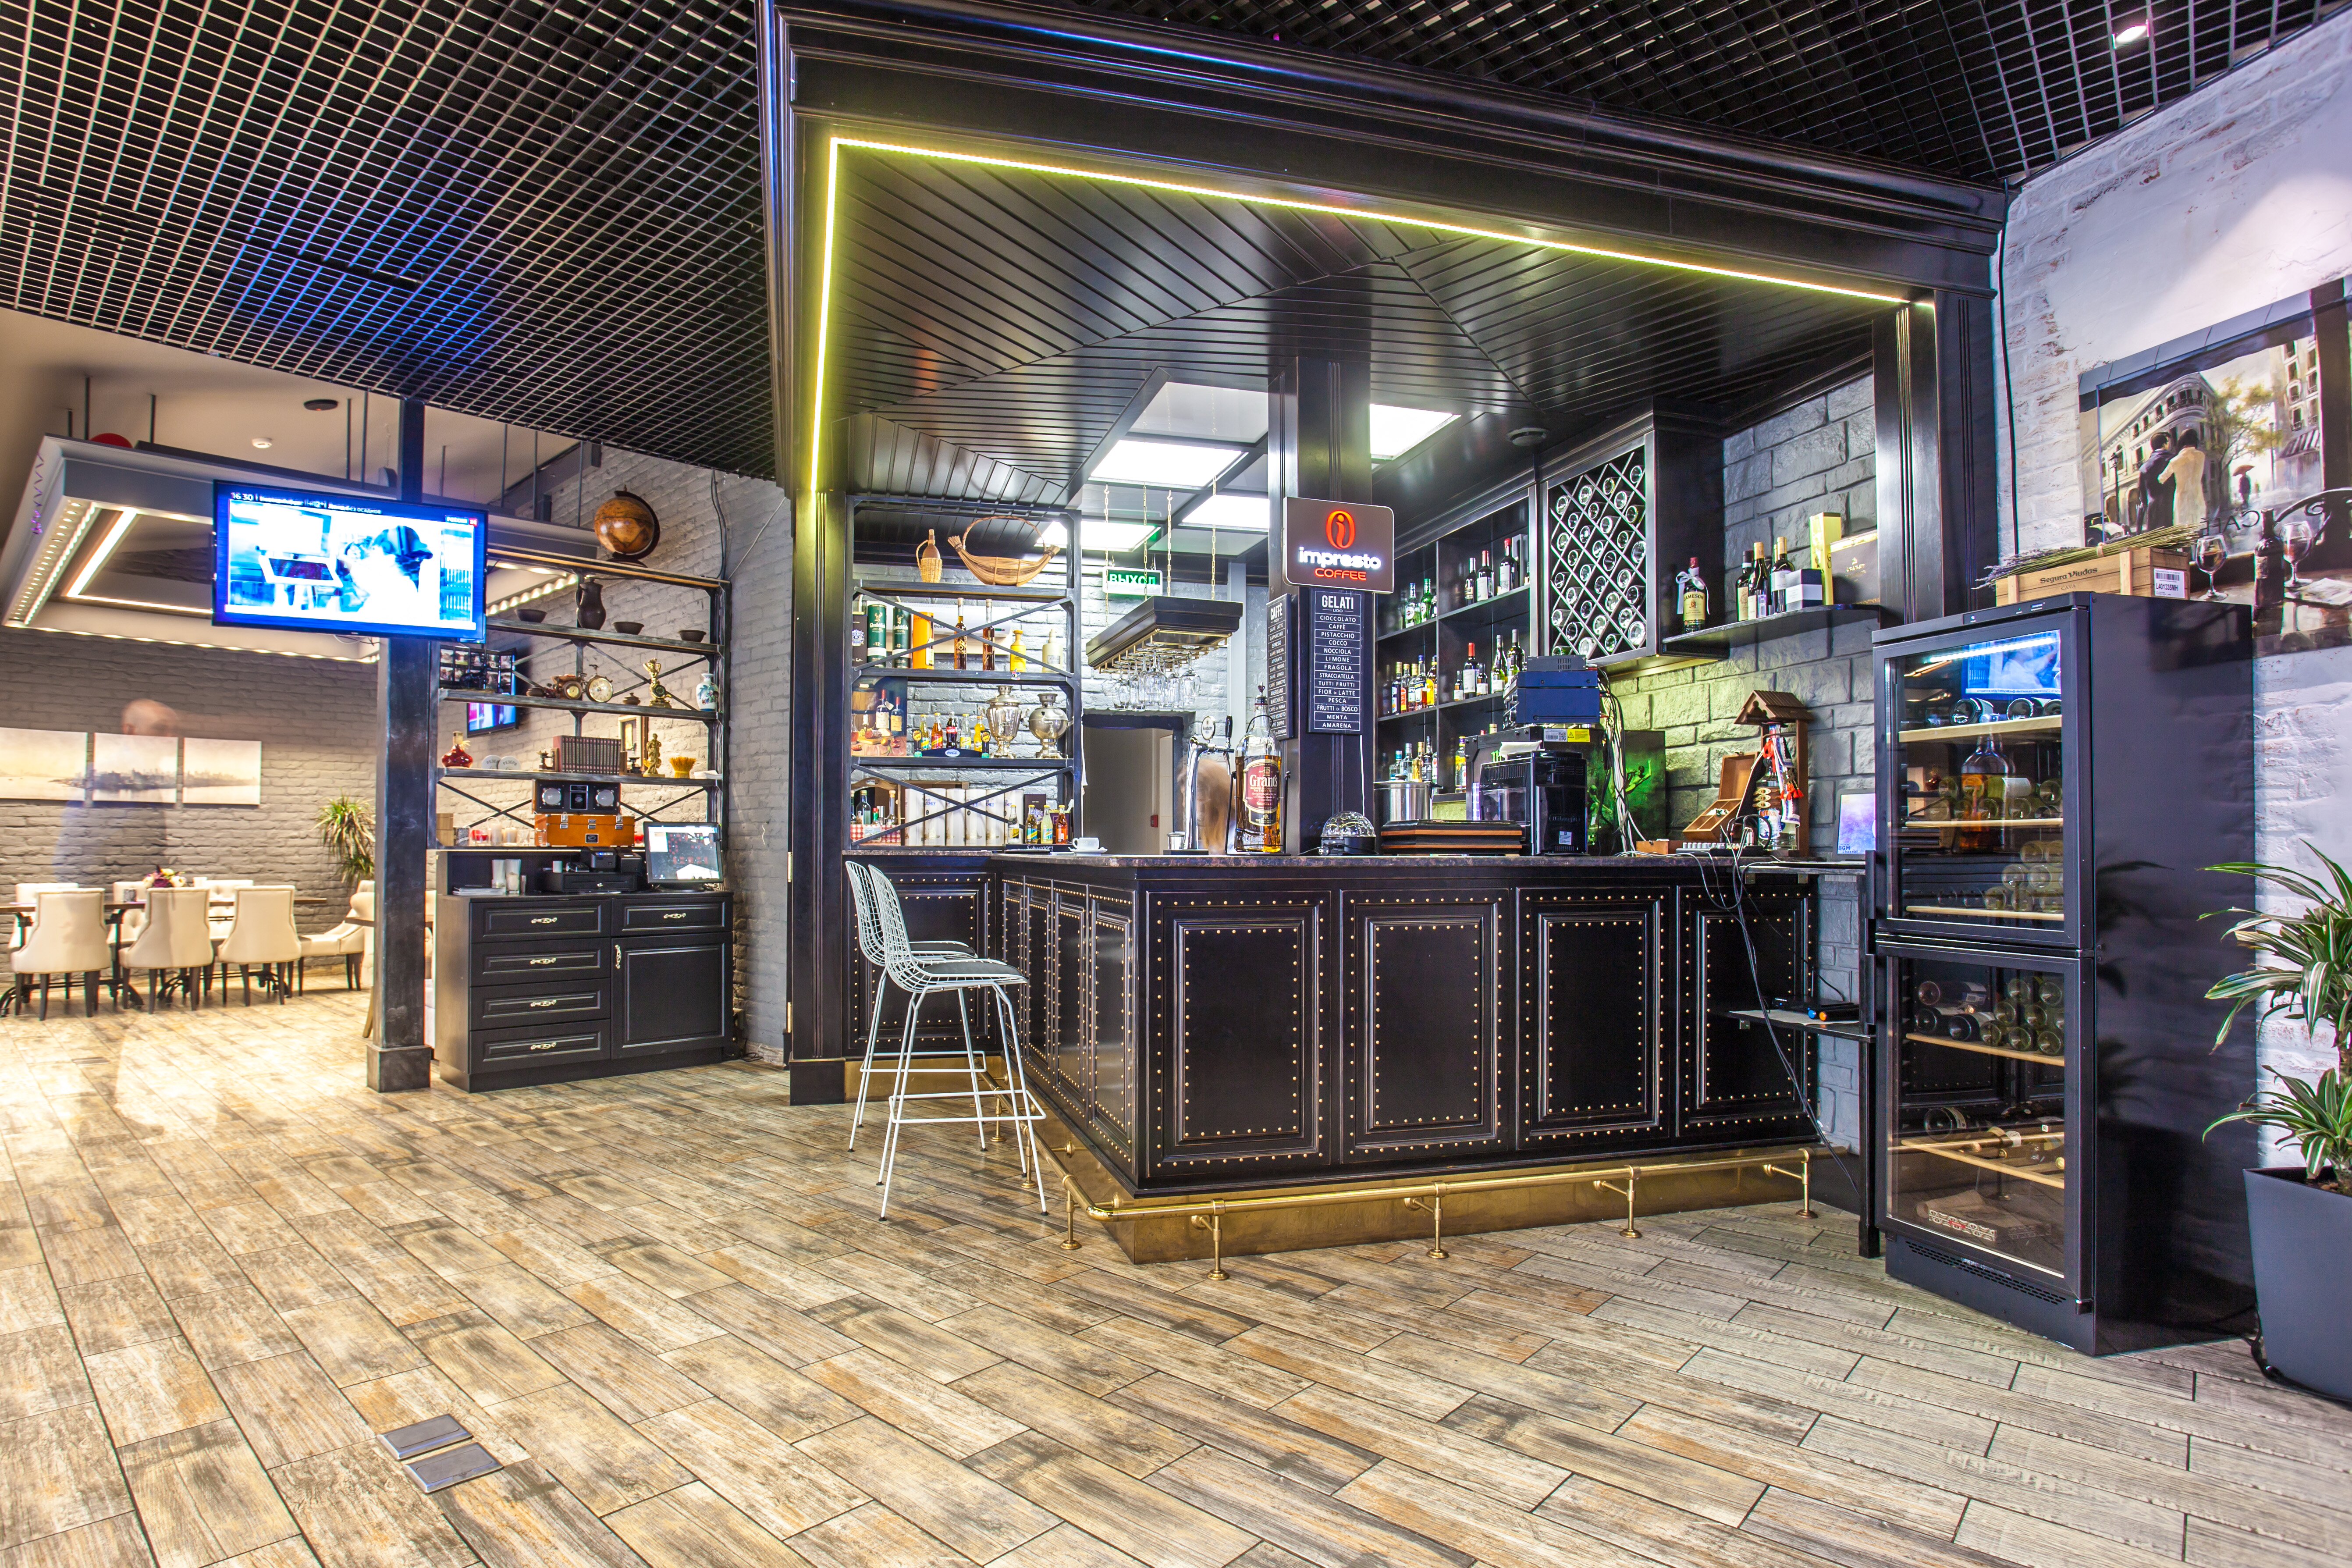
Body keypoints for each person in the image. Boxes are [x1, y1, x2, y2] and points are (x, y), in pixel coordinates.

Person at [2160, 429, 2209, 533]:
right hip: (2197, 496)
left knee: (2184, 531)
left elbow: (2162, 478)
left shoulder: (2175, 461)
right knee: (2198, 528)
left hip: (2182, 499)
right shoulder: (2201, 455)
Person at [2135, 432, 2174, 532]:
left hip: (2153, 516)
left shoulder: (2144, 467)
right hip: (2173, 512)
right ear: (2165, 444)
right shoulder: (2173, 459)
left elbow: (2143, 499)